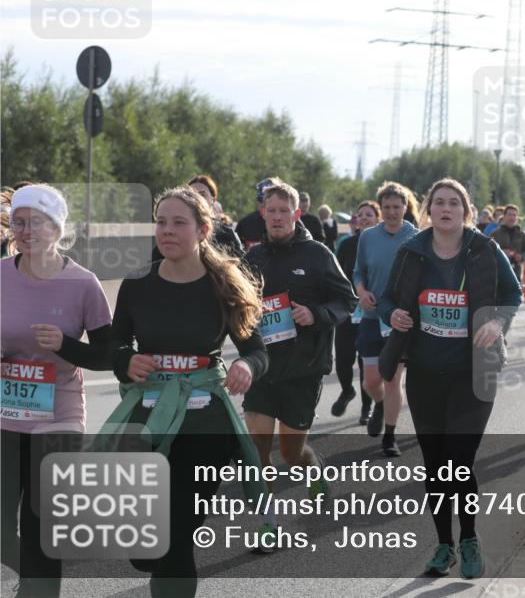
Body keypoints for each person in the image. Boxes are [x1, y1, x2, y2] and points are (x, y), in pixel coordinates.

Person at [100, 186, 269, 597]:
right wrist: (125, 360)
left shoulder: (222, 284)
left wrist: (246, 366)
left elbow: (256, 350)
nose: (167, 230)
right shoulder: (138, 283)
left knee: (175, 538)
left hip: (205, 425)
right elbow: (115, 343)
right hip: (148, 421)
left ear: (203, 230)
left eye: (179, 222)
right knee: (145, 550)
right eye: (161, 222)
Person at [378, 178, 521, 579]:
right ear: (428, 210)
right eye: (439, 202)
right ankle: (444, 545)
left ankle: (470, 538)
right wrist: (392, 314)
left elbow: (513, 294)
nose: (446, 209)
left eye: (454, 203)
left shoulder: (485, 249)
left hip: (473, 373)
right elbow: (387, 298)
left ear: (466, 211)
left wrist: (496, 321)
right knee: (435, 465)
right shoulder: (412, 252)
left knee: (458, 462)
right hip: (425, 373)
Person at [2, 184, 113, 597]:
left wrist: (65, 345)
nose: (25, 231)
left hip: (60, 415)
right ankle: (33, 578)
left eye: (36, 222)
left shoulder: (83, 283)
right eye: (18, 222)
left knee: (42, 523)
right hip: (5, 413)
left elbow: (108, 355)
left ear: (57, 228)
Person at [242, 180, 356, 546]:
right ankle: (268, 524)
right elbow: (236, 303)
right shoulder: (253, 258)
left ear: (297, 214)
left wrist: (315, 314)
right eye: (271, 211)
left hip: (303, 367)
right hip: (261, 366)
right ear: (263, 213)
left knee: (291, 452)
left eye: (283, 211)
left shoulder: (318, 254)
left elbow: (347, 301)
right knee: (258, 449)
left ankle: (313, 467)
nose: (277, 218)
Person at [355, 182, 419, 456]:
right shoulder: (368, 236)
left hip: (400, 319)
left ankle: (390, 436)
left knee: (393, 379)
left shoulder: (416, 237)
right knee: (371, 381)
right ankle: (379, 405)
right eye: (387, 207)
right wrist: (361, 292)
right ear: (380, 208)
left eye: (396, 207)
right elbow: (358, 272)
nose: (392, 212)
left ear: (405, 207)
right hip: (372, 316)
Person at [331, 200, 379, 424]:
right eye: (361, 215)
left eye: (369, 214)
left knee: (364, 362)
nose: (365, 218)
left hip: (372, 311)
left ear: (377, 219)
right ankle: (346, 390)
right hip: (348, 309)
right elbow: (336, 274)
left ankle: (366, 408)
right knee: (343, 358)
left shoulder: (381, 244)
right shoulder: (347, 244)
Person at [152, 175, 243, 260]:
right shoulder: (168, 241)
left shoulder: (227, 235)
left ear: (213, 200)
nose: (197, 199)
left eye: (202, 194)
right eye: (191, 195)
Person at [491, 204, 525, 280]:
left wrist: (521, 257)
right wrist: (501, 252)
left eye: (514, 215)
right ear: (504, 216)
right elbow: (488, 250)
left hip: (516, 271)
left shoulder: (521, 233)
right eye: (509, 214)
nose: (512, 217)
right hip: (498, 271)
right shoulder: (495, 234)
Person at [235, 178, 275, 249]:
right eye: (261, 199)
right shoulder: (245, 224)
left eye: (269, 200)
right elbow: (235, 252)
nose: (264, 204)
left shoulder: (290, 224)